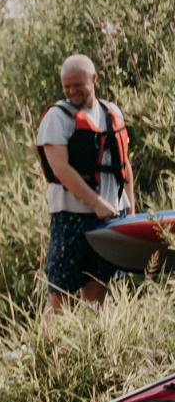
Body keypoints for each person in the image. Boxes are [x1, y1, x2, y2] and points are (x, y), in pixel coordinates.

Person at [38, 54, 136, 312]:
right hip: (71, 218)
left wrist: (131, 213)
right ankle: (50, 352)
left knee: (98, 292)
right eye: (66, 86)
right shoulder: (57, 117)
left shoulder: (111, 112)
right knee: (61, 297)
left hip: (110, 218)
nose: (71, 92)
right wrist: (96, 202)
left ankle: (93, 349)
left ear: (93, 79)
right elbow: (60, 169)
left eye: (77, 85)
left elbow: (124, 165)